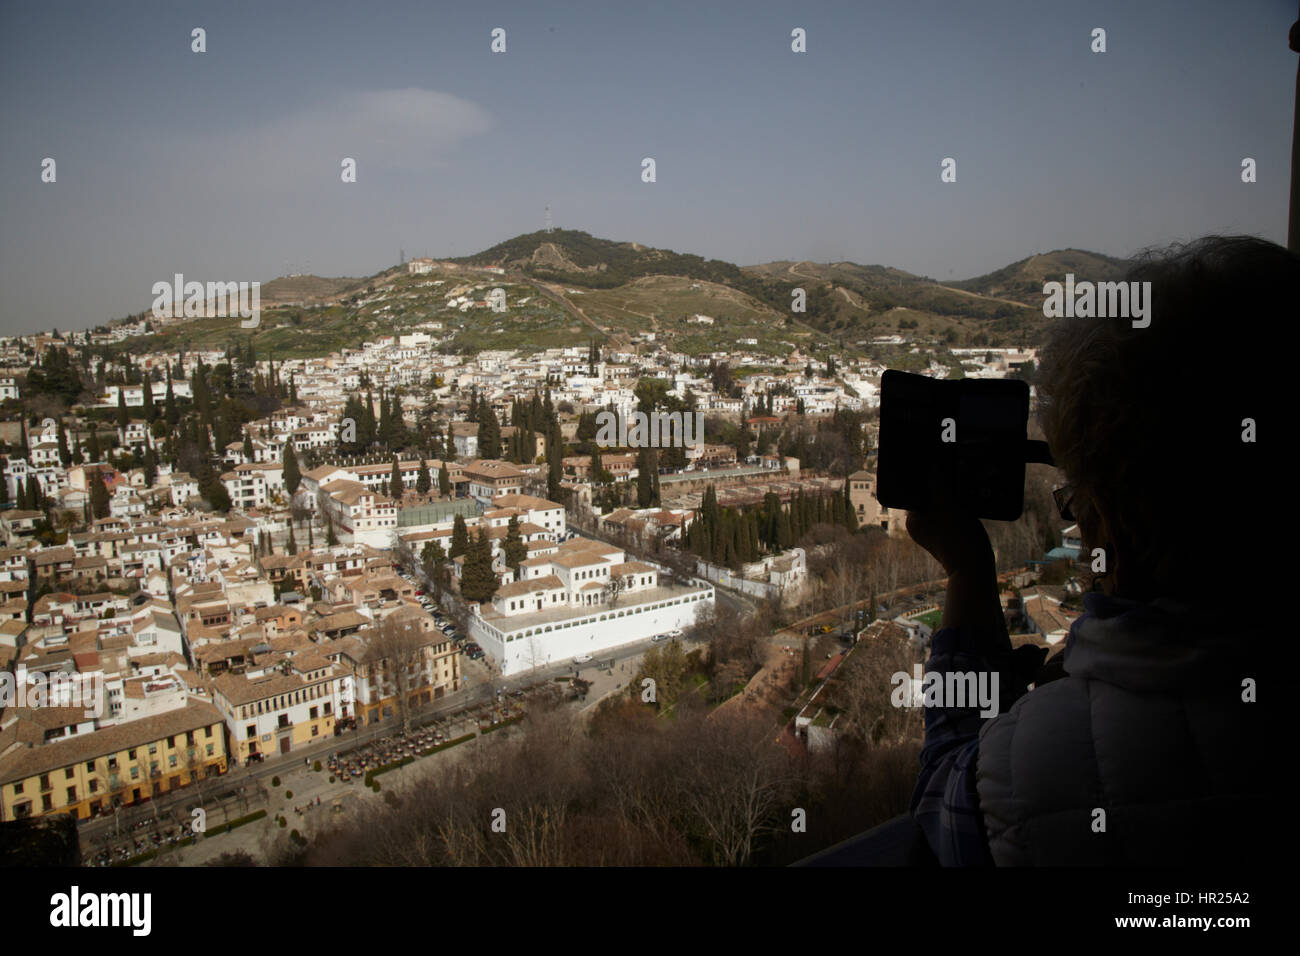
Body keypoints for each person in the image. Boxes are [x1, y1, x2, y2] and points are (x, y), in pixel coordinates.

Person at [907, 236, 1284, 866]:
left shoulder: (1035, 771)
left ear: (1110, 519)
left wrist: (967, 573)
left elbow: (942, 799)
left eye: (1075, 499)